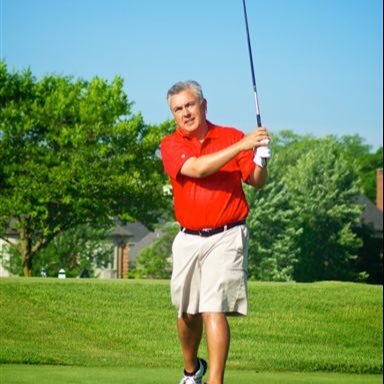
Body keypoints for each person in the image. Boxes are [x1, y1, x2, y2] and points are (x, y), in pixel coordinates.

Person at [160, 81, 270, 384]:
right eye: (178, 109)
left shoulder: (231, 136)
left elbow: (257, 181)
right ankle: (192, 370)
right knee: (187, 313)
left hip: (227, 235)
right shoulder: (171, 145)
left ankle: (215, 382)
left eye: (189, 105)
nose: (185, 113)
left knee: (213, 309)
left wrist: (261, 158)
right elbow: (197, 169)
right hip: (188, 238)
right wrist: (243, 146)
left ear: (203, 106)